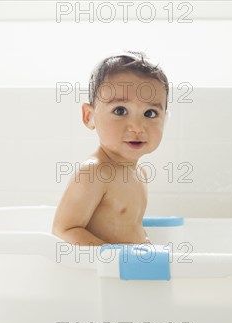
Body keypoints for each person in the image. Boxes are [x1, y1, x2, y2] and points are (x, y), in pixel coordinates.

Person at [52, 51, 169, 246]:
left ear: (165, 119)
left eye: (150, 113)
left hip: (125, 271)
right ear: (89, 117)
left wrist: (144, 244)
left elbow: (130, 227)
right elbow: (64, 230)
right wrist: (113, 256)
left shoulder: (140, 172)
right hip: (99, 272)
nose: (137, 127)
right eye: (120, 111)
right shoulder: (94, 172)